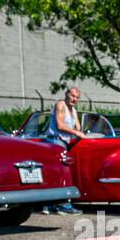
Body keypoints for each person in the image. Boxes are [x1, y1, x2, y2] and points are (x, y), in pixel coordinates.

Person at [43, 87, 90, 215]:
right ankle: (65, 205)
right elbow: (60, 125)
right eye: (72, 96)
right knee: (62, 174)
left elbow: (79, 127)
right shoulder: (60, 105)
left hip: (62, 143)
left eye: (77, 97)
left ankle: (50, 205)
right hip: (54, 141)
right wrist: (76, 132)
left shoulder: (73, 110)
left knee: (55, 175)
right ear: (66, 94)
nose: (74, 99)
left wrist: (83, 133)